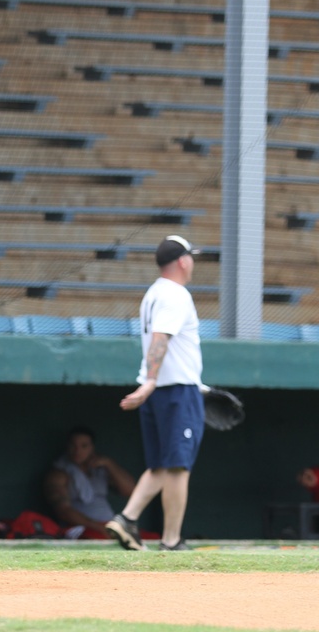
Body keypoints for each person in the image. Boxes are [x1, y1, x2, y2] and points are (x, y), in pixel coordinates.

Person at [106, 235, 204, 552]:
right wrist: (150, 380)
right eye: (191, 257)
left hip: (164, 388)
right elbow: (161, 338)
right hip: (173, 389)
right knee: (177, 466)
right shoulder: (176, 294)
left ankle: (126, 518)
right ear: (182, 261)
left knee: (161, 465)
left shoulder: (154, 293)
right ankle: (172, 540)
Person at [43, 425, 139, 539]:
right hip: (81, 529)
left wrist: (109, 463)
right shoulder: (59, 473)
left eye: (84, 446)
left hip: (110, 525)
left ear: (92, 448)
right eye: (73, 445)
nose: (77, 451)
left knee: (150, 539)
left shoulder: (100, 469)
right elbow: (63, 511)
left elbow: (131, 491)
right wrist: (98, 527)